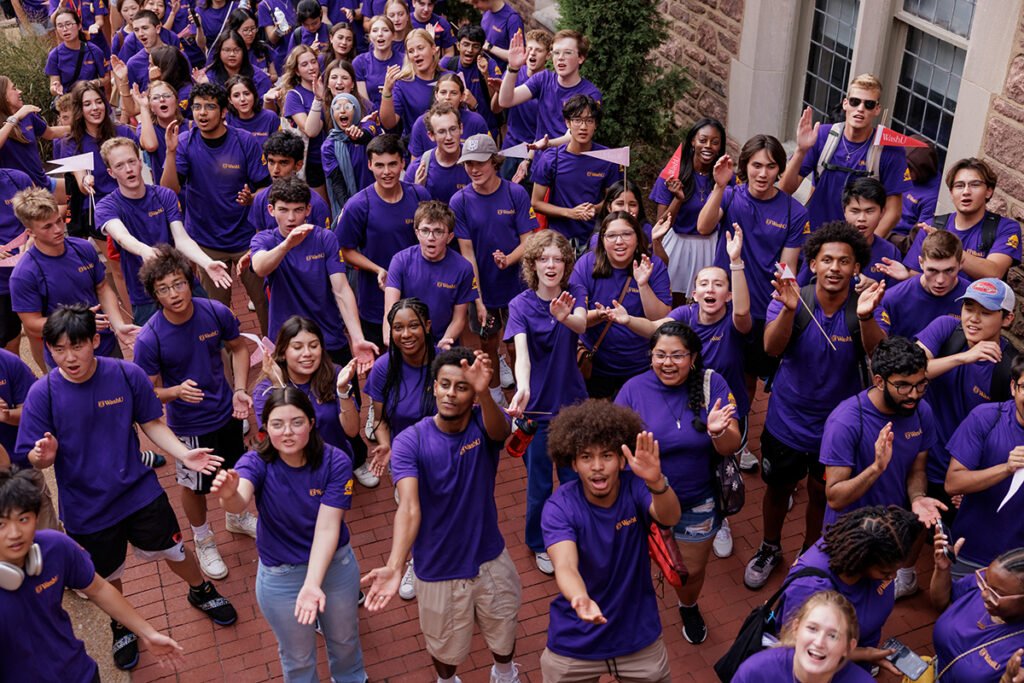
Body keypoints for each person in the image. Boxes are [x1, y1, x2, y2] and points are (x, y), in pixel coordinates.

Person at [14, 305, 237, 670]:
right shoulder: (44, 394)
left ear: (95, 341)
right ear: (49, 349)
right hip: (87, 509)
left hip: (138, 492)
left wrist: (185, 453)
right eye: (58, 349)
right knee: (107, 575)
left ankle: (202, 590)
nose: (68, 358)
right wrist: (44, 456)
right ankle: (122, 624)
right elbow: (35, 457)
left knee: (175, 550)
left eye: (77, 346)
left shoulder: (125, 374)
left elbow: (151, 422)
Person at [362, 348, 522, 683]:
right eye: (444, 384)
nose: (451, 393)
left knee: (504, 628)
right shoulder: (409, 442)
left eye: (461, 387)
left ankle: (504, 674)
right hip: (437, 568)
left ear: (473, 393)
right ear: (434, 388)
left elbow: (501, 433)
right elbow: (408, 506)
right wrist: (395, 564)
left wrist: (485, 392)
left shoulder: (483, 420)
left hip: (490, 557)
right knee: (445, 649)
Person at [745, 221, 884, 590]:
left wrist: (868, 317)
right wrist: (789, 311)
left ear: (857, 267)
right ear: (814, 263)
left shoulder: (863, 307)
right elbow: (772, 348)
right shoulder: (791, 298)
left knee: (823, 494)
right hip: (786, 421)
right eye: (827, 260)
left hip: (837, 430)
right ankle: (769, 547)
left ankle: (812, 552)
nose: (835, 267)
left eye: (844, 261)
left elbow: (877, 354)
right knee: (777, 489)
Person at [608, 226, 753, 551]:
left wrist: (736, 262)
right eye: (704, 284)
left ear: (728, 294)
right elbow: (655, 328)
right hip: (689, 401)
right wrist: (630, 313)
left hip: (725, 404)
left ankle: (721, 517)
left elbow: (743, 311)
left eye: (719, 284)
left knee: (720, 464)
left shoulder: (734, 319)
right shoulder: (685, 315)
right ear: (695, 293)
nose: (711, 289)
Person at [211, 387, 367, 682]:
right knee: (297, 657)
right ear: (265, 427)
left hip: (335, 567)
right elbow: (239, 499)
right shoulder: (255, 462)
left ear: (311, 422)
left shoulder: (336, 462)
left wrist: (312, 584)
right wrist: (228, 496)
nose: (287, 432)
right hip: (280, 577)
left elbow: (327, 526)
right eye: (277, 424)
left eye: (297, 422)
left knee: (345, 642)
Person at [133, 246, 256, 581]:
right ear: (154, 294)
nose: (173, 294)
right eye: (163, 289)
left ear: (191, 281)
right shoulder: (150, 338)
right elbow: (144, 393)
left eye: (178, 284)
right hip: (187, 427)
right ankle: (203, 539)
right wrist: (174, 392)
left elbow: (239, 347)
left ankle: (236, 517)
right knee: (193, 487)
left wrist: (241, 389)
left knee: (233, 471)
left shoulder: (215, 311)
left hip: (227, 414)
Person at [615, 322, 740, 644]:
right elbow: (615, 444)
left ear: (693, 357)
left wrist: (716, 431)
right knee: (631, 563)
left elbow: (731, 446)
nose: (667, 363)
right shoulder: (632, 389)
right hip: (642, 501)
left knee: (690, 572)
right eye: (660, 355)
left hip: (697, 502)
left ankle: (688, 605)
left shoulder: (714, 385)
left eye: (677, 355)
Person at [0, 466, 185, 682]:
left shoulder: (56, 547)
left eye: (23, 519)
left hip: (80, 673)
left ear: (36, 517)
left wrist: (147, 632)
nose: (14, 534)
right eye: (1, 524)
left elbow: (98, 589)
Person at [539, 399, 680, 681]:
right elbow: (565, 565)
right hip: (575, 639)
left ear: (621, 459)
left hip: (637, 637)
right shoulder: (559, 507)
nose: (597, 467)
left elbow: (670, 516)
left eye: (607, 456)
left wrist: (656, 482)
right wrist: (579, 598)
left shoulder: (637, 487)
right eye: (586, 457)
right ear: (573, 463)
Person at [820, 335, 945, 598]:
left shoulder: (922, 412)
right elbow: (835, 498)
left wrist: (918, 498)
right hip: (851, 540)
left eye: (920, 384)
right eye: (903, 386)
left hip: (891, 539)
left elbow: (917, 469)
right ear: (879, 381)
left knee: (877, 610)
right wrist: (876, 468)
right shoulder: (846, 422)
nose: (914, 394)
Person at [696, 134, 809, 400]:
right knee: (710, 374)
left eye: (771, 166)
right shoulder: (731, 196)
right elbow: (703, 227)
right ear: (745, 165)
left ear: (780, 169)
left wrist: (786, 297)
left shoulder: (795, 212)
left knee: (747, 381)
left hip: (762, 309)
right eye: (756, 165)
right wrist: (719, 187)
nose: (763, 173)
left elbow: (788, 264)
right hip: (724, 305)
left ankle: (742, 434)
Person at [505, 230, 588, 574]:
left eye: (558, 259)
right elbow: (520, 353)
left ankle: (572, 534)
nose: (551, 265)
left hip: (572, 406)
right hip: (536, 410)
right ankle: (539, 543)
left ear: (567, 265)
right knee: (539, 483)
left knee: (573, 478)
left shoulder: (575, 293)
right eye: (543, 259)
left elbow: (581, 322)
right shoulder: (519, 305)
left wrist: (563, 317)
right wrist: (522, 388)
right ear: (532, 264)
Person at [160, 81, 271, 335]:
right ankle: (228, 360)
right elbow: (170, 190)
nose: (202, 113)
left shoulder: (244, 141)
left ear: (223, 112)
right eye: (197, 107)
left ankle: (273, 355)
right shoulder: (185, 143)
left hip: (247, 239)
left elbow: (265, 187)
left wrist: (252, 198)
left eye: (209, 107)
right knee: (216, 312)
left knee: (263, 303)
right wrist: (170, 152)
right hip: (206, 243)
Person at [96, 136, 233, 326]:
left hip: (183, 282)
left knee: (214, 336)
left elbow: (181, 239)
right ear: (111, 173)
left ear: (139, 162)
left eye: (131, 161)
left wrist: (206, 263)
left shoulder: (164, 195)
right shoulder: (106, 206)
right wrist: (143, 250)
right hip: (145, 296)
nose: (128, 169)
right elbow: (120, 236)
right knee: (159, 351)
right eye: (120, 166)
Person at [915, 277, 1018, 520]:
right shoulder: (947, 329)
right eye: (968, 308)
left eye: (986, 313)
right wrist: (962, 357)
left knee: (948, 544)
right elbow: (907, 372)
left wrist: (976, 480)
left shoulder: (1010, 369)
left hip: (959, 473)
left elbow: (1008, 434)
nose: (973, 318)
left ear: (1007, 319)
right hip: (916, 459)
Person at [250, 175, 376, 369]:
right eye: (283, 210)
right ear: (271, 210)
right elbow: (260, 267)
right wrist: (287, 245)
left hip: (329, 338)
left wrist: (357, 338)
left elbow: (341, 289)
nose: (291, 218)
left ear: (308, 210)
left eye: (298, 210)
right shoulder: (265, 240)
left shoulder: (325, 238)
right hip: (287, 342)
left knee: (344, 397)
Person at [778, 505, 923, 674]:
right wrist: (863, 654)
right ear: (861, 559)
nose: (893, 577)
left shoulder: (878, 554)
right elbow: (793, 647)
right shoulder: (810, 587)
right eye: (885, 572)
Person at [451, 133, 536, 402]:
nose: (474, 170)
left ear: (495, 161)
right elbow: (467, 254)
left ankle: (523, 394)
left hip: (517, 286)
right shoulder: (460, 201)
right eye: (468, 164)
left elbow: (529, 240)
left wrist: (508, 260)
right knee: (487, 342)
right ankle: (496, 393)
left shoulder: (516, 193)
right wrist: (477, 299)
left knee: (516, 343)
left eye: (480, 162)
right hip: (483, 286)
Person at [10, 187, 137, 365]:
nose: (57, 230)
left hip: (105, 346)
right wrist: (78, 322)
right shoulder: (24, 274)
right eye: (47, 226)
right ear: (30, 233)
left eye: (59, 221)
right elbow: (32, 325)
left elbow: (102, 288)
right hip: (66, 359)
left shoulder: (82, 248)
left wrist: (118, 325)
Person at [779, 73, 911, 239]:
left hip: (856, 244)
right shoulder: (822, 136)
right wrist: (800, 150)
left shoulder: (890, 151)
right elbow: (785, 189)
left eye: (869, 104)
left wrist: (864, 246)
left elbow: (893, 212)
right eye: (855, 102)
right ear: (845, 103)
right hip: (813, 237)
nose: (860, 109)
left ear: (877, 109)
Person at [252, 315, 376, 488]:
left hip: (336, 466)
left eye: (313, 346)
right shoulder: (264, 391)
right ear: (282, 352)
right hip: (294, 473)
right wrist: (279, 387)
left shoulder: (335, 374)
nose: (307, 353)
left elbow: (352, 430)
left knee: (335, 512)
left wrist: (341, 391)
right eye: (297, 347)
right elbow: (281, 439)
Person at [338, 133, 432, 348]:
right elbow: (345, 251)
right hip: (375, 302)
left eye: (392, 164)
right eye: (379, 165)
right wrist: (378, 269)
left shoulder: (420, 195)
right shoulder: (358, 205)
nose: (387, 172)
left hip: (418, 295)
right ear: (370, 165)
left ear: (403, 163)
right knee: (382, 366)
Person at [570, 211, 670, 398]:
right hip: (595, 365)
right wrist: (600, 316)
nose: (619, 241)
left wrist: (643, 284)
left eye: (626, 234)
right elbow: (575, 319)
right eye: (612, 235)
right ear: (602, 239)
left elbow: (660, 320)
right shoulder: (586, 264)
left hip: (640, 366)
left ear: (638, 237)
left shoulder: (652, 265)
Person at [943, 355, 1024, 577]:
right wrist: (1006, 468)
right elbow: (953, 483)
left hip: (1019, 566)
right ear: (1013, 387)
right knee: (954, 609)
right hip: (970, 553)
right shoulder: (986, 417)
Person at [901, 158, 1022, 281]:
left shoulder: (1006, 228)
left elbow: (994, 273)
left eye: (975, 185)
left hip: (976, 300)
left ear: (988, 191)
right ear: (951, 192)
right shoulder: (930, 226)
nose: (966, 191)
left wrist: (947, 246)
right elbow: (915, 278)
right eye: (959, 185)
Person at [651, 117, 730, 304]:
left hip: (710, 245)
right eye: (703, 140)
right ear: (693, 141)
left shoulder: (726, 178)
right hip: (678, 243)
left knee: (705, 302)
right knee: (673, 300)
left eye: (715, 142)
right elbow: (661, 225)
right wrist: (679, 198)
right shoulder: (672, 174)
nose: (708, 146)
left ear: (721, 147)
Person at [530, 94, 620, 253]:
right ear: (568, 123)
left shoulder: (607, 158)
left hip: (595, 238)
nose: (583, 127)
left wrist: (596, 208)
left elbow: (613, 200)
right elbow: (536, 203)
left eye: (589, 121)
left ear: (596, 124)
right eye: (577, 120)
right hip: (557, 239)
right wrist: (570, 213)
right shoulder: (551, 158)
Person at [383, 200, 477, 347]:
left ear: (450, 237)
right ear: (417, 233)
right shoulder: (400, 261)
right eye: (425, 231)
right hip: (406, 342)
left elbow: (459, 319)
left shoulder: (463, 268)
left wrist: (441, 346)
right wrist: (394, 341)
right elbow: (390, 310)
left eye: (438, 231)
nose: (430, 237)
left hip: (442, 344)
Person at [932, 533, 1024, 683]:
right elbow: (941, 604)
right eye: (985, 581)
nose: (984, 594)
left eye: (997, 594)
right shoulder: (980, 584)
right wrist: (941, 569)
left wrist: (1006, 680)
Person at [732, 591, 875, 683]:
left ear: (848, 647)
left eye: (833, 636)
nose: (819, 642)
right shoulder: (756, 672)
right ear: (796, 629)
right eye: (812, 628)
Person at [498, 29, 600, 146]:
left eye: (567, 52)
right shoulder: (543, 78)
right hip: (539, 159)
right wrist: (513, 68)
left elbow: (574, 134)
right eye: (556, 53)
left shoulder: (590, 93)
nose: (561, 57)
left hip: (566, 160)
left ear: (580, 58)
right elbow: (505, 101)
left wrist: (547, 144)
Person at [797, 177, 902, 291]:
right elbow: (800, 291)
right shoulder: (822, 246)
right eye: (855, 211)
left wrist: (876, 290)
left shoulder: (890, 253)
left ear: (882, 212)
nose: (862, 218)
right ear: (844, 212)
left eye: (869, 211)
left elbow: (895, 302)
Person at [877, 230, 968, 339]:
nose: (940, 280)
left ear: (961, 263)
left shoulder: (972, 299)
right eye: (932, 270)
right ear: (921, 263)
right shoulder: (891, 299)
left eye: (949, 270)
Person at [249, 130, 332, 234]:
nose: (275, 170)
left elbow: (323, 244)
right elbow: (259, 240)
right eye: (271, 161)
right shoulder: (260, 199)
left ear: (298, 165)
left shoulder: (317, 203)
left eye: (283, 162)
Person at [0, 76, 68, 199]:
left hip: (42, 183)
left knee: (82, 193)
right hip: (18, 194)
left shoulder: (28, 115)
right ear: (4, 96)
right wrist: (15, 118)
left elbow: (50, 133)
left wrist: (80, 127)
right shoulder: (20, 115)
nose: (20, 91)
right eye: (14, 89)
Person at [498, 29, 550, 183]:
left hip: (534, 151)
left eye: (539, 50)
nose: (532, 54)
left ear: (548, 56)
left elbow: (545, 128)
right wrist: (497, 91)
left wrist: (528, 158)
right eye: (530, 49)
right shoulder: (514, 72)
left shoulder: (548, 83)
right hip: (510, 145)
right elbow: (497, 107)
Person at [280, 44, 328, 200]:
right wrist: (318, 99)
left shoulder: (329, 87)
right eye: (304, 64)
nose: (311, 67)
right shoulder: (294, 96)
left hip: (335, 157)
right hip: (313, 162)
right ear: (296, 71)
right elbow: (311, 130)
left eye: (313, 62)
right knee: (323, 207)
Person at [379, 28, 448, 136]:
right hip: (417, 148)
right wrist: (387, 91)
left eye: (420, 48)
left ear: (433, 48)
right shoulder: (402, 84)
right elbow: (388, 124)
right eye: (411, 51)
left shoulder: (449, 78)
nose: (416, 54)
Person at [407, 72, 490, 161]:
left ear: (462, 96)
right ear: (436, 95)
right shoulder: (421, 123)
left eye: (453, 93)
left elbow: (489, 156)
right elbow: (415, 162)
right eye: (443, 92)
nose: (447, 97)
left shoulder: (476, 121)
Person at [439, 24, 501, 139]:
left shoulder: (490, 65)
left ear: (481, 49)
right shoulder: (447, 64)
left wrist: (485, 74)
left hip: (486, 131)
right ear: (458, 45)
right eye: (466, 45)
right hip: (454, 130)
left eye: (475, 46)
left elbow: (496, 103)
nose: (470, 50)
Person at [403, 101, 472, 203]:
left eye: (453, 129)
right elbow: (407, 210)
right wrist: (418, 192)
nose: (449, 137)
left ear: (461, 128)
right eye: (441, 132)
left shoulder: (475, 161)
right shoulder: (417, 169)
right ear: (431, 135)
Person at [46, 8, 110, 96]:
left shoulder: (94, 50)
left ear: (79, 25)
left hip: (93, 101)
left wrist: (96, 83)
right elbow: (53, 85)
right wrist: (55, 88)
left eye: (68, 24)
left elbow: (106, 78)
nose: (65, 29)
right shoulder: (54, 55)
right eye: (60, 26)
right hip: (71, 103)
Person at [892, 135, 940, 241]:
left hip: (896, 240)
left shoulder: (932, 197)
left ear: (923, 169)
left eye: (910, 169)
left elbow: (914, 240)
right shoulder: (901, 170)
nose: (905, 173)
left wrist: (887, 237)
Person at [353, 15, 404, 111]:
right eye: (375, 30)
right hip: (371, 117)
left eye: (385, 30)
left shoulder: (405, 60)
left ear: (393, 35)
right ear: (370, 36)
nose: (380, 34)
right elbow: (363, 101)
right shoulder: (359, 62)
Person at [201, 31, 274, 99]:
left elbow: (268, 110)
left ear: (243, 52)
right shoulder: (209, 77)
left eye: (236, 50)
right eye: (227, 50)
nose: (232, 54)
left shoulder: (260, 78)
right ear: (219, 52)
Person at [225, 74, 282, 141]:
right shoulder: (226, 118)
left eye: (247, 94)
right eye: (236, 96)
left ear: (254, 95)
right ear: (230, 100)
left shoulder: (270, 117)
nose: (242, 99)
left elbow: (279, 146)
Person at [474, 0, 524, 72]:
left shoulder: (513, 19)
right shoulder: (486, 11)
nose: (475, 6)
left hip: (502, 76)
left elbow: (517, 56)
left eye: (476, 2)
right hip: (484, 70)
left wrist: (490, 47)